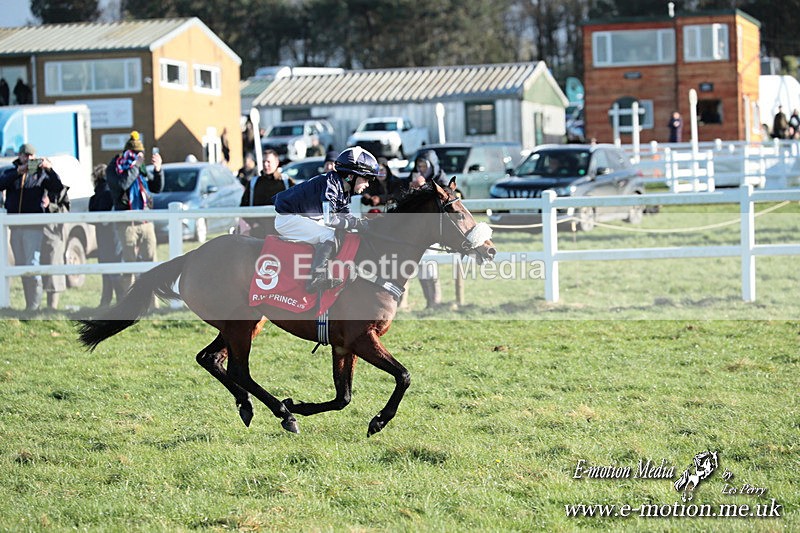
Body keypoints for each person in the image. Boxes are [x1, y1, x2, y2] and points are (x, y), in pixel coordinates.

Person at [273, 146, 378, 292]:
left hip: (301, 217)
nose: (367, 185)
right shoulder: (331, 184)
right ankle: (316, 278)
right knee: (328, 234)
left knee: (340, 234)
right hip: (288, 218)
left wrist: (365, 225)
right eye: (365, 179)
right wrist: (357, 224)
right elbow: (330, 220)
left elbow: (345, 217)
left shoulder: (343, 189)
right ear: (351, 175)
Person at [0, 143, 64, 311]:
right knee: (21, 264)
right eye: (25, 156)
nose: (28, 160)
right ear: (20, 156)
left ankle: (34, 307)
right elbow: (1, 183)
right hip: (15, 225)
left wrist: (49, 169)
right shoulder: (10, 171)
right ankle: (29, 304)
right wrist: (18, 172)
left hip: (33, 226)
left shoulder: (41, 173)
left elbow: (58, 187)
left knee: (32, 263)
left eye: (31, 157)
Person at [106, 130, 163, 294]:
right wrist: (135, 167)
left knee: (151, 262)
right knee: (129, 264)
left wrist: (158, 170)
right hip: (127, 224)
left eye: (140, 154)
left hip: (145, 222)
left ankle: (152, 304)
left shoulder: (140, 168)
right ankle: (128, 301)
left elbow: (156, 188)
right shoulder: (115, 168)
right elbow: (122, 184)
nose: (139, 157)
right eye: (136, 153)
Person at [408, 151, 446, 308]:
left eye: (424, 166)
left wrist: (424, 187)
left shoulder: (441, 179)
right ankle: (429, 301)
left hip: (435, 228)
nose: (421, 169)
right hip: (419, 228)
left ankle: (435, 301)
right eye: (419, 166)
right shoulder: (415, 177)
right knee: (421, 265)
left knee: (430, 264)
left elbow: (442, 201)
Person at [89, 164, 124, 307]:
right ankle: (119, 299)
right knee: (114, 265)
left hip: (103, 236)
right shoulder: (111, 191)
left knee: (106, 266)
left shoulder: (97, 195)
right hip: (113, 234)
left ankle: (107, 299)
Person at [240, 149, 295, 238]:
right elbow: (243, 207)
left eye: (269, 161)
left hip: (282, 233)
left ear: (277, 162)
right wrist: (254, 225)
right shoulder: (253, 183)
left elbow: (297, 207)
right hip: (258, 234)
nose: (266, 165)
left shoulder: (287, 182)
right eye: (263, 162)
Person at [40, 176, 71, 310]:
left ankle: (52, 307)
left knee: (53, 268)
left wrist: (50, 205)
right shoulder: (34, 185)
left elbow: (65, 211)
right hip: (36, 233)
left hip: (54, 234)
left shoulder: (60, 190)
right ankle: (34, 307)